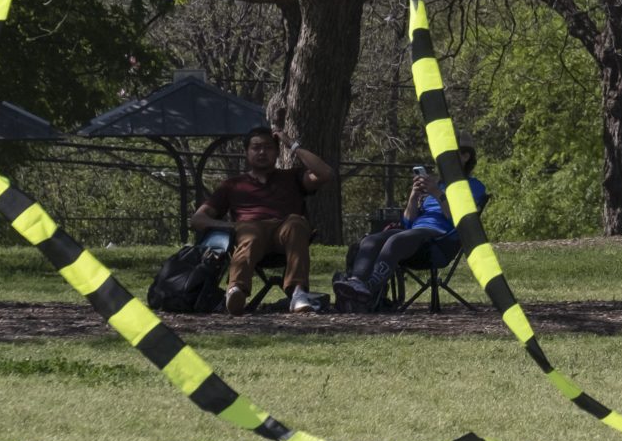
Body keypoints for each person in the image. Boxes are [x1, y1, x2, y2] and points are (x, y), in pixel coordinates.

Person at [190, 128, 333, 314]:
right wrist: (232, 226)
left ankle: (298, 293)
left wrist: (291, 143)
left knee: (296, 223)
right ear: (246, 153)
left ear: (277, 152)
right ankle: (236, 292)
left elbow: (325, 174)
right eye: (256, 147)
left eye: (268, 147)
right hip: (250, 232)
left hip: (285, 232)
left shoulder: (292, 177)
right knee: (251, 232)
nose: (262, 152)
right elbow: (198, 219)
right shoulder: (232, 185)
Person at [344, 152, 487, 305]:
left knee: (396, 240)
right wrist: (413, 196)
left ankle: (367, 289)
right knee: (370, 240)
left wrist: (437, 194)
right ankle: (355, 283)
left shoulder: (473, 186)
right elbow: (407, 222)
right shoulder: (436, 184)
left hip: (439, 242)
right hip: (413, 237)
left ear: (465, 156)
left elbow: (459, 221)